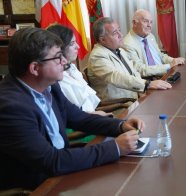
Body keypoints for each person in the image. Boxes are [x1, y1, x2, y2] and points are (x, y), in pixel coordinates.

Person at [0, 27, 145, 190]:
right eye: (57, 58)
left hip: (63, 169)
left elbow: (79, 118)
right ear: (35, 68)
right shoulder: (11, 107)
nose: (64, 61)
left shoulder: (50, 87)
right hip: (39, 184)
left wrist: (119, 125)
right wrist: (115, 147)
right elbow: (51, 161)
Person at [88, 17, 171, 101]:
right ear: (102, 40)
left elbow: (135, 72)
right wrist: (147, 84)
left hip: (134, 99)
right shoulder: (97, 56)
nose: (121, 35)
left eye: (119, 30)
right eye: (115, 33)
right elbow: (115, 76)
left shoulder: (119, 50)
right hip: (118, 105)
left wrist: (142, 92)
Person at [47, 24, 103, 113]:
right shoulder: (57, 78)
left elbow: (90, 104)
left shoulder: (71, 68)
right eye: (72, 43)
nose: (78, 46)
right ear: (60, 48)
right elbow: (75, 114)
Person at [123, 9, 185, 77]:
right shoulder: (127, 44)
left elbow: (160, 56)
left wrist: (174, 60)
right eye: (145, 21)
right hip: (151, 80)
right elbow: (141, 70)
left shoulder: (150, 36)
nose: (149, 25)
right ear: (134, 23)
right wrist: (169, 65)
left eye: (151, 22)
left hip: (164, 74)